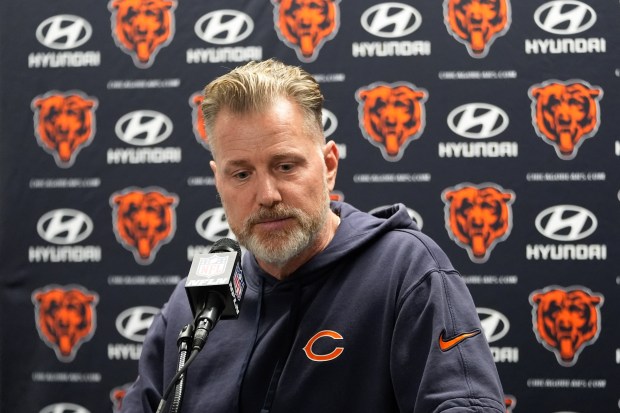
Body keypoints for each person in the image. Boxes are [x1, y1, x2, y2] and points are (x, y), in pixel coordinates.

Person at [120, 59, 505, 413]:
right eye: (241, 174)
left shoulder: (403, 271)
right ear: (217, 181)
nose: (267, 196)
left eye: (285, 166)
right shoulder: (196, 305)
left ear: (329, 166)